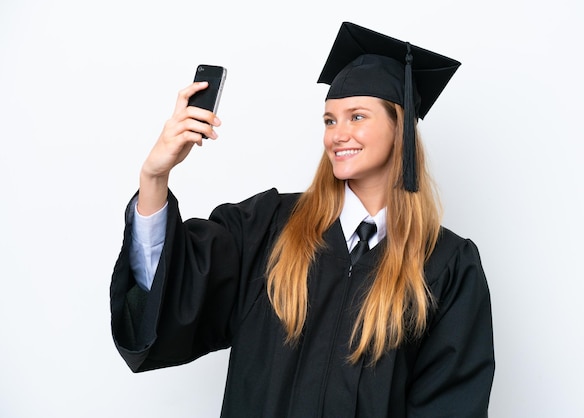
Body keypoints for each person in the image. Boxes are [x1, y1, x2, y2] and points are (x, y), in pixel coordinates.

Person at [110, 21, 495, 417]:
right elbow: (174, 287)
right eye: (330, 120)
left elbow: (451, 405)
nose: (337, 135)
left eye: (357, 116)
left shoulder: (447, 266)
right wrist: (154, 178)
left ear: (401, 128)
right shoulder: (268, 227)